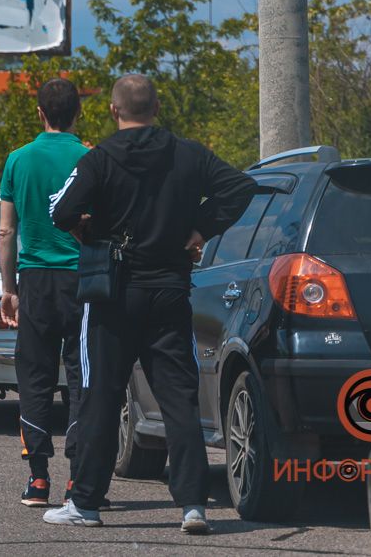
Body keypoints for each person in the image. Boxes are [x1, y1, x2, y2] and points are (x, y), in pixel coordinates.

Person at [42, 74, 255, 533]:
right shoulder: (189, 153)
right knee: (178, 397)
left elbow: (59, 211)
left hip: (114, 294)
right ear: (157, 107)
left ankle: (87, 503)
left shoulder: (99, 159)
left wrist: (88, 229)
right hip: (170, 292)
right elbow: (239, 187)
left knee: (102, 395)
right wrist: (200, 228)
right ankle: (193, 504)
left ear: (115, 112)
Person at [0, 78, 91, 508]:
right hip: (81, 281)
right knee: (81, 376)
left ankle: (38, 479)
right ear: (78, 113)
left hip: (33, 280)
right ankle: (78, 479)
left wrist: (8, 289)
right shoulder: (92, 158)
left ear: (40, 113)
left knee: (34, 376)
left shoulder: (17, 159)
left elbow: (5, 230)